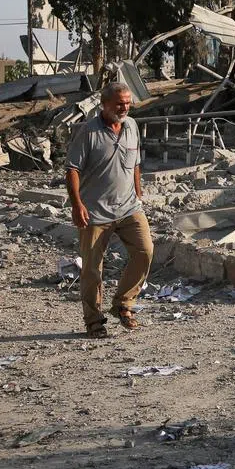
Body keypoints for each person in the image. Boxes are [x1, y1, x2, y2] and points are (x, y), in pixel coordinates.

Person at [65, 82, 153, 338]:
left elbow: (135, 161)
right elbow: (72, 170)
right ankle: (94, 321)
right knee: (92, 269)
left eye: (127, 103)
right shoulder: (88, 132)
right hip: (95, 212)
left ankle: (123, 304)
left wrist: (138, 190)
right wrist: (77, 204)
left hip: (128, 208)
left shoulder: (132, 126)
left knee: (145, 251)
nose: (124, 108)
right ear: (103, 105)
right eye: (118, 104)